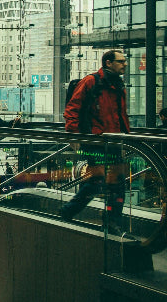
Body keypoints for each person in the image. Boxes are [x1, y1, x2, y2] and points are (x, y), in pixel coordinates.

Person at [60, 49, 130, 232]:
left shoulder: (119, 85)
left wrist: (126, 138)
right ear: (108, 63)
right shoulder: (92, 82)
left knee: (116, 183)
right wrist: (74, 135)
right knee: (98, 181)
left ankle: (111, 223)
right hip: (95, 142)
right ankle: (69, 211)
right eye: (121, 61)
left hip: (114, 141)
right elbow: (72, 109)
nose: (125, 64)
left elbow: (121, 115)